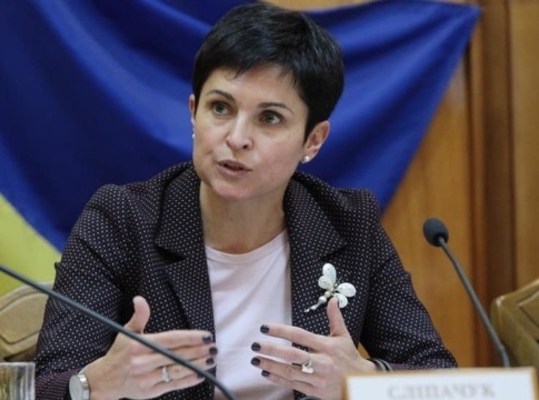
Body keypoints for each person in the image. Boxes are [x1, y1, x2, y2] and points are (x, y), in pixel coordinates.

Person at [34, 2, 457, 399]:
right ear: (194, 112)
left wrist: (363, 381)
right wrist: (95, 384)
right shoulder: (122, 221)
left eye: (270, 118)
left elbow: (440, 378)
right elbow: (45, 386)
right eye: (220, 108)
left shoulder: (349, 225)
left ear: (313, 140)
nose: (236, 138)